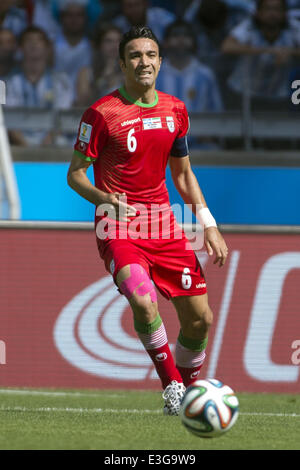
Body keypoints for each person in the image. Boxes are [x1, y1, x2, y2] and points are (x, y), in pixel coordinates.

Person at [67, 26, 228, 415]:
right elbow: (74, 174)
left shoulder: (175, 110)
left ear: (160, 62)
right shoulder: (101, 113)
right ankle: (172, 384)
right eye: (136, 55)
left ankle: (189, 398)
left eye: (151, 55)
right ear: (122, 63)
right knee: (143, 300)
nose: (144, 62)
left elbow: (183, 175)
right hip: (118, 226)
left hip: (163, 225)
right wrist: (104, 198)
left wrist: (208, 223)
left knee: (200, 321)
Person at [221, 0, 300, 110]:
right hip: (244, 92)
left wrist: (289, 52)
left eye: (277, 9)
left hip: (278, 95)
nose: (272, 14)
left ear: (285, 13)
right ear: (258, 12)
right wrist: (267, 51)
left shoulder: (293, 27)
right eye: (267, 9)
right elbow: (227, 46)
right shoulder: (249, 25)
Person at [5, 26, 73, 146]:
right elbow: (9, 120)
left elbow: (63, 116)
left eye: (39, 41)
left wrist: (47, 142)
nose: (34, 44)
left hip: (52, 140)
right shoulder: (8, 82)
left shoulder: (61, 81)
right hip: (18, 142)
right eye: (29, 41)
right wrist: (24, 145)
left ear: (47, 48)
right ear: (20, 48)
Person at [156, 20, 223, 113]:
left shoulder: (206, 75)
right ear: (165, 42)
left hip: (201, 127)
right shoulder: (154, 76)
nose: (181, 39)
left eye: (186, 36)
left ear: (194, 42)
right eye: (175, 35)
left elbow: (217, 113)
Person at [76, 24, 123, 106]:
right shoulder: (86, 72)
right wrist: (102, 82)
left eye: (118, 41)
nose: (115, 46)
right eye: (109, 41)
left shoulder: (129, 72)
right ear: (99, 45)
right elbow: (82, 103)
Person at [53, 0, 92, 100]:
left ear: (86, 18)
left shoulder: (93, 47)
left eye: (79, 15)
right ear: (62, 17)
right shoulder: (50, 46)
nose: (74, 19)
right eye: (69, 15)